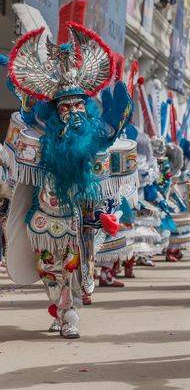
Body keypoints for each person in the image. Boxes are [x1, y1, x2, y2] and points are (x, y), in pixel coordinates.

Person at [4, 23, 134, 338]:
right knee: (49, 268)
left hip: (78, 220)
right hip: (43, 217)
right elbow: (18, 171)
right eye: (66, 106)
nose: (73, 112)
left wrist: (99, 212)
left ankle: (68, 312)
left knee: (72, 267)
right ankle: (59, 307)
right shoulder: (37, 138)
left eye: (78, 105)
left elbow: (107, 175)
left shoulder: (93, 140)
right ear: (55, 111)